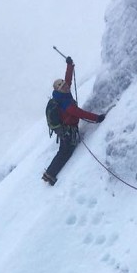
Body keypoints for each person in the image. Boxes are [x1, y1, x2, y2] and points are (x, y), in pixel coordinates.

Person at [42, 57, 106, 185]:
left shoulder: (61, 94)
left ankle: (49, 173)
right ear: (58, 89)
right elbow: (80, 113)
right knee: (65, 152)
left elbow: (68, 79)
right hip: (66, 130)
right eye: (63, 86)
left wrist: (69, 65)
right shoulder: (66, 103)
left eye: (65, 85)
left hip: (65, 127)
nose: (66, 86)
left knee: (65, 150)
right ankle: (50, 174)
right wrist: (97, 118)